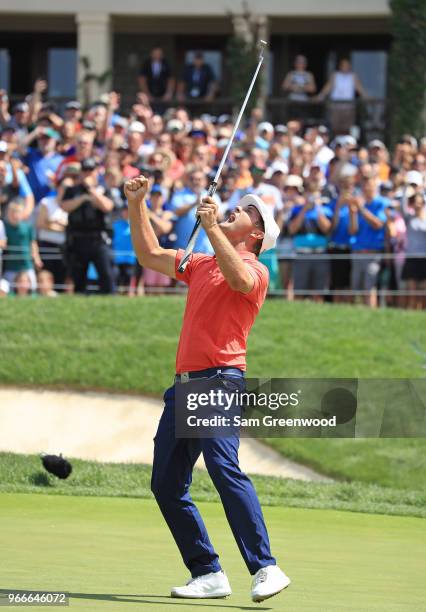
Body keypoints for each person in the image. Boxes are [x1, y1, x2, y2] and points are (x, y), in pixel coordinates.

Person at [125, 174, 290, 603]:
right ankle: (208, 571)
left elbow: (238, 281)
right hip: (184, 386)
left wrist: (213, 227)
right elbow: (148, 253)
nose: (238, 207)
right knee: (165, 484)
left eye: (248, 210)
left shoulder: (255, 269)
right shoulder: (200, 264)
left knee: (222, 468)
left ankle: (266, 566)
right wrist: (137, 203)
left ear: (256, 234)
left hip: (220, 380)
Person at [61, 158, 115, 294]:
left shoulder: (103, 189)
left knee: (106, 275)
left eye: (91, 170)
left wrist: (91, 190)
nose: (88, 174)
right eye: (85, 171)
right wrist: (83, 198)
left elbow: (108, 206)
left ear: (97, 172)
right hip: (78, 239)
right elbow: (64, 206)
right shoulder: (73, 190)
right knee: (78, 279)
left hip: (98, 239)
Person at [349, 176, 388, 308]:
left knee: (369, 287)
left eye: (369, 186)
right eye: (364, 186)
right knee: (355, 287)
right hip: (357, 252)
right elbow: (353, 230)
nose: (366, 189)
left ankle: (371, 316)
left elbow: (378, 224)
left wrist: (361, 209)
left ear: (375, 187)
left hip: (373, 254)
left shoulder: (381, 203)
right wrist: (353, 213)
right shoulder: (360, 204)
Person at [316, 58, 368, 135]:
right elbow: (328, 87)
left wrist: (366, 97)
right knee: (335, 126)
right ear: (340, 66)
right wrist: (320, 96)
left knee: (347, 127)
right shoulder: (335, 75)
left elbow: (359, 88)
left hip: (348, 106)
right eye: (343, 65)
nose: (345, 67)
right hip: (336, 105)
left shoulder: (353, 76)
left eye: (347, 65)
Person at [3, 199, 42, 291]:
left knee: (32, 290)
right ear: (8, 212)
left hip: (27, 265)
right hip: (10, 267)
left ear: (22, 213)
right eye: (12, 212)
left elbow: (33, 243)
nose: (15, 214)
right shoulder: (3, 226)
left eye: (18, 212)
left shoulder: (28, 226)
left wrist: (36, 257)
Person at [400, 191, 426, 309]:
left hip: (424, 258)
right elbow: (402, 205)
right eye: (415, 203)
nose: (417, 205)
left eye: (420, 203)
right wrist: (407, 187)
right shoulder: (409, 218)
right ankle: (411, 311)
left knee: (423, 291)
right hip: (411, 257)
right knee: (411, 289)